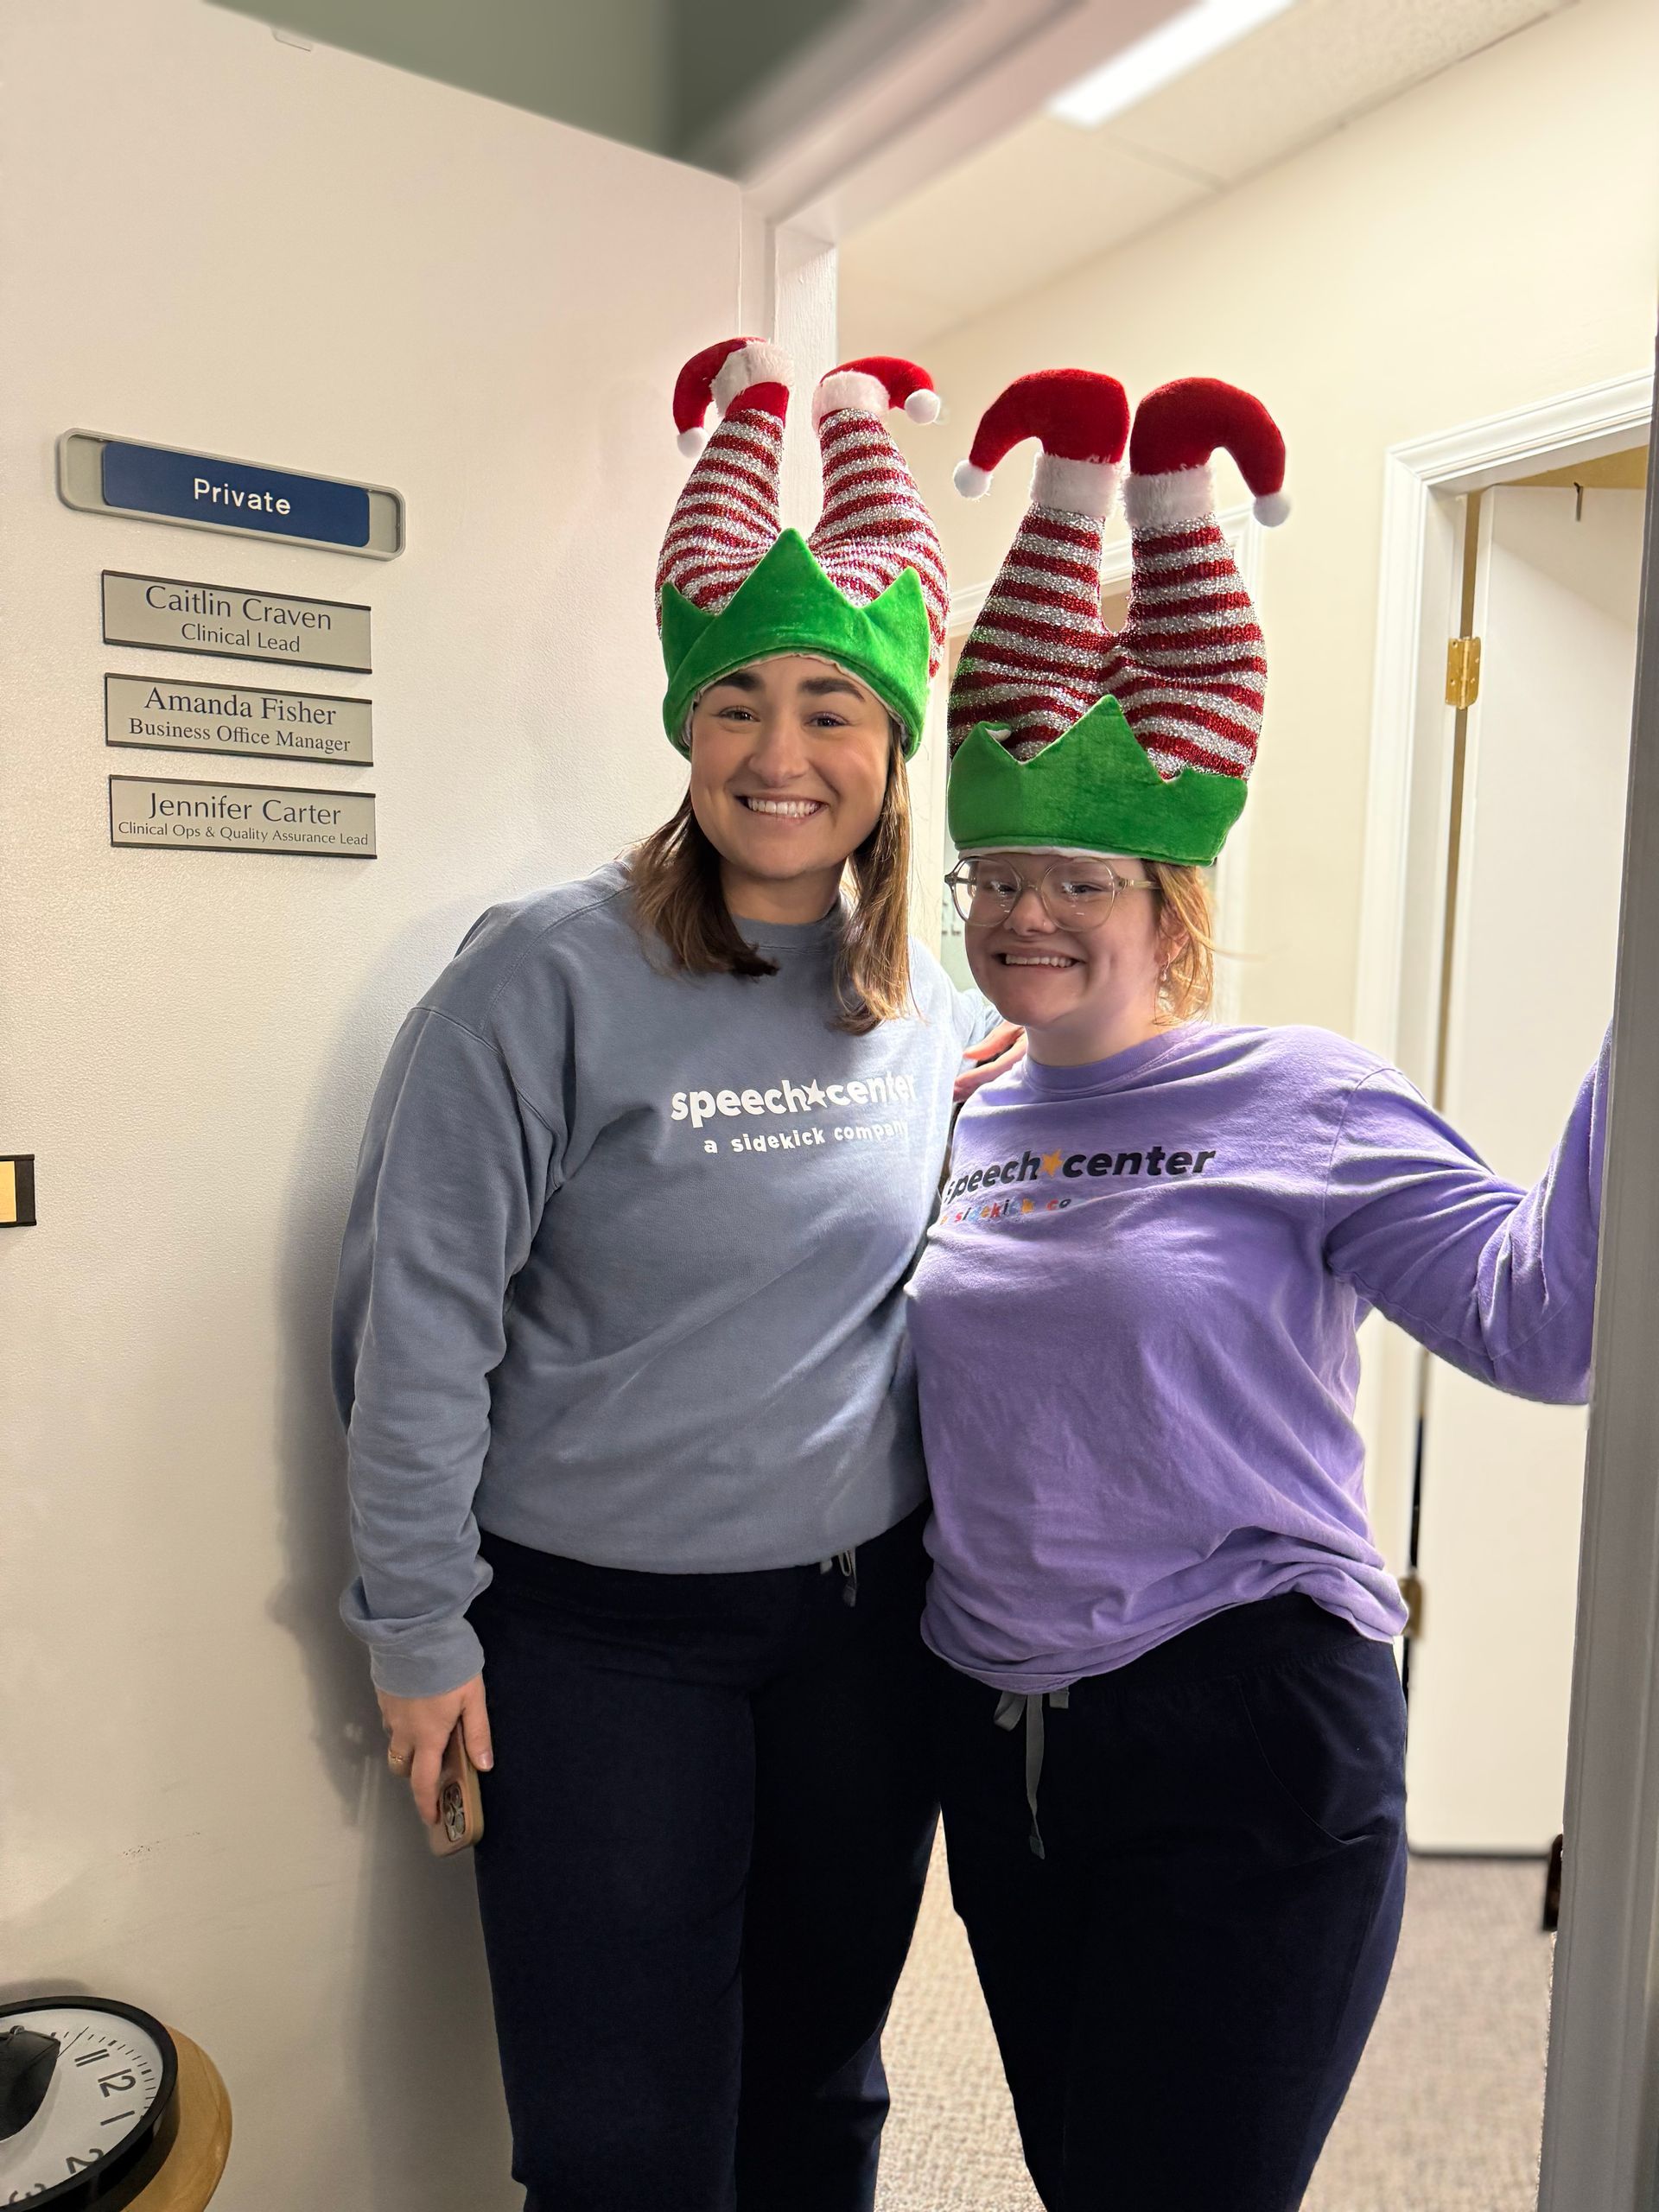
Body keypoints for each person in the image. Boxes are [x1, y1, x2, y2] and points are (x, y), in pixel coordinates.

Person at [906, 367, 1608, 2212]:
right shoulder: (953, 1108)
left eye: (1082, 879)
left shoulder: (1300, 1093)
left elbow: (1548, 1327)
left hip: (1248, 1730)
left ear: (1170, 898)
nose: (1029, 913)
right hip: (1003, 1745)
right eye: (1000, 874)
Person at [332, 337, 1012, 2212]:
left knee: (820, 2085)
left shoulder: (919, 997)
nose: (781, 756)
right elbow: (418, 1322)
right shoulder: (540, 975)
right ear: (684, 726)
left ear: (893, 742)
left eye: (831, 708)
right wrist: (418, 1626)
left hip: (863, 1629)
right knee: (622, 2136)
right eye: (736, 704)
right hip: (596, 1638)